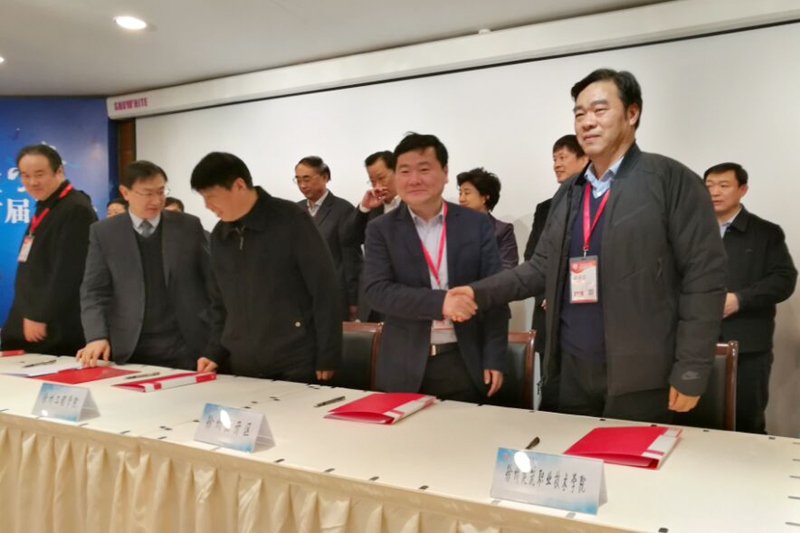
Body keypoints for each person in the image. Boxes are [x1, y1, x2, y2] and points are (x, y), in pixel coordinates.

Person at [450, 69, 726, 422]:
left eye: (599, 110)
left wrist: (691, 370)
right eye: (579, 113)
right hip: (571, 370)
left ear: (632, 113)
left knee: (628, 459)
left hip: (642, 376)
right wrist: (476, 292)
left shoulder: (670, 180)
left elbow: (704, 279)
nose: (587, 122)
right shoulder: (570, 192)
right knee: (567, 455)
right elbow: (539, 268)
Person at [363, 133, 508, 402]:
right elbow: (377, 291)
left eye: (424, 169)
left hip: (465, 362)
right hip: (403, 366)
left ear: (445, 173)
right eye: (405, 171)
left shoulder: (475, 224)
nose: (414, 179)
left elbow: (496, 294)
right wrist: (441, 303)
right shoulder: (380, 229)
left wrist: (495, 356)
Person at [191, 152, 342, 383]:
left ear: (239, 185)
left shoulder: (290, 219)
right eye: (204, 198)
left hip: (296, 360)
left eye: (212, 197)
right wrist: (214, 351)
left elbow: (324, 288)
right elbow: (220, 303)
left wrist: (328, 355)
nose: (208, 206)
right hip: (243, 363)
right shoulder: (221, 235)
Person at [77, 161, 211, 370]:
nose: (156, 200)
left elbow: (211, 283)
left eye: (161, 192)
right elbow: (94, 291)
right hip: (129, 345)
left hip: (186, 345)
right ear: (126, 192)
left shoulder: (188, 226)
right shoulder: (104, 232)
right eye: (147, 193)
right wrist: (96, 336)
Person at [704, 162, 797, 433]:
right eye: (709, 186)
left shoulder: (766, 232)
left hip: (748, 346)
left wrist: (740, 299)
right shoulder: (691, 231)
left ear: (742, 189)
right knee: (695, 421)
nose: (714, 192)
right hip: (696, 344)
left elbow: (784, 280)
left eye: (724, 185)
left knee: (746, 421)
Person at [1, 144, 97, 355]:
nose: (32, 182)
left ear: (59, 171)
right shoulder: (47, 204)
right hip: (30, 316)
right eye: (25, 175)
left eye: (39, 174)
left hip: (52, 326)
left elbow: (69, 271)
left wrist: (39, 315)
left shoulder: (75, 209)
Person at [523, 134, 588, 411]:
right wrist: (548, 293)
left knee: (582, 393)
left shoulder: (599, 204)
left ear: (584, 159)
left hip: (584, 313)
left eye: (563, 157)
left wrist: (564, 293)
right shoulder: (545, 208)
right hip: (548, 311)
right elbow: (533, 258)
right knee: (550, 388)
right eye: (554, 159)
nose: (557, 164)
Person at [295, 156, 362, 321]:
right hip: (302, 295)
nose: (302, 185)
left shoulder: (343, 210)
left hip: (334, 295)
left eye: (307, 179)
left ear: (324, 177)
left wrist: (353, 300)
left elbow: (351, 259)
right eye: (298, 180)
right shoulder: (296, 210)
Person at [345, 150, 401, 322]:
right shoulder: (372, 206)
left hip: (402, 295)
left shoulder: (414, 206)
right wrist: (364, 208)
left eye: (381, 178)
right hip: (372, 298)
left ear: (397, 171)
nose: (377, 185)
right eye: (372, 181)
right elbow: (348, 239)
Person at [457, 167, 518, 270]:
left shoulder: (502, 231)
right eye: (460, 193)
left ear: (485, 197)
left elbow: (507, 270)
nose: (461, 199)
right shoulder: (452, 227)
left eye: (467, 193)